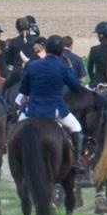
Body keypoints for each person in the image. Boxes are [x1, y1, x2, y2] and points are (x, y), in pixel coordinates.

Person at [15, 36, 85, 169]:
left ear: (46, 49)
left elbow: (23, 89)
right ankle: (76, 161)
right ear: (60, 51)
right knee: (77, 128)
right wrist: (69, 70)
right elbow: (76, 87)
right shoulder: (63, 67)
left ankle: (16, 160)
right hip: (56, 110)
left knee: (16, 129)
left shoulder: (33, 66)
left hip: (33, 110)